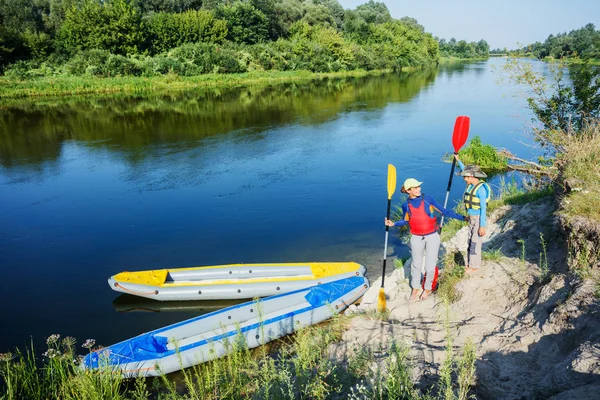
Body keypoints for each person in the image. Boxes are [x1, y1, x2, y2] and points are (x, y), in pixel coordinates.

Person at [385, 178, 468, 301]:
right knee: (416, 265)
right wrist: (394, 224)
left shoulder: (428, 200)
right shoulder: (405, 205)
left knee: (430, 266)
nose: (418, 189)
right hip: (416, 238)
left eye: (419, 187)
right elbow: (406, 220)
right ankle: (415, 288)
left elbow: (444, 211)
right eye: (415, 188)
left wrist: (463, 218)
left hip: (432, 237)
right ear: (408, 191)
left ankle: (428, 288)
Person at [454, 154, 491, 274]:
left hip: (478, 219)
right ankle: (470, 263)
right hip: (471, 218)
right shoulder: (471, 184)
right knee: (470, 240)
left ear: (471, 177)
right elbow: (466, 169)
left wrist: (482, 226)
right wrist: (458, 160)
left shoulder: (480, 189)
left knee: (475, 242)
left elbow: (483, 209)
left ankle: (474, 266)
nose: (463, 178)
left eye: (465, 177)